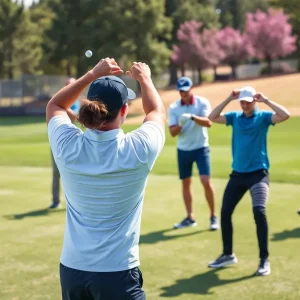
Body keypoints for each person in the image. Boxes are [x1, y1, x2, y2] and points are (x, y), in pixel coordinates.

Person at [46, 58, 165, 300]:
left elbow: (56, 105)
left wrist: (91, 74)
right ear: (124, 110)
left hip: (72, 270)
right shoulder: (138, 150)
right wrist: (145, 79)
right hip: (117, 272)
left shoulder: (67, 146)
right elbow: (156, 112)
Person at [208, 86, 290, 276]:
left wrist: (266, 100)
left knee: (258, 211)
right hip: (238, 174)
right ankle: (228, 254)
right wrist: (229, 98)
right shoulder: (235, 118)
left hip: (258, 174)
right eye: (242, 102)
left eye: (248, 101)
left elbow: (284, 115)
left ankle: (264, 260)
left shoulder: (262, 118)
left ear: (254, 101)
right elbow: (212, 117)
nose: (244, 104)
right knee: (225, 211)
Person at [168, 76, 219, 230]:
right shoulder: (174, 107)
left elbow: (208, 122)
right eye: (181, 91)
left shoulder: (202, 102)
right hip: (183, 149)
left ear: (191, 89)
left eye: (186, 90)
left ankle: (213, 216)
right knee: (186, 183)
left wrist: (192, 117)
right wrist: (181, 124)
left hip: (200, 147)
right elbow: (172, 133)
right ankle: (190, 217)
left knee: (205, 180)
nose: (183, 93)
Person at [49, 77, 81, 209]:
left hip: (75, 140)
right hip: (58, 139)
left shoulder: (78, 101)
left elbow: (74, 116)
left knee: (76, 172)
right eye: (67, 86)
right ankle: (55, 200)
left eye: (72, 85)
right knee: (56, 172)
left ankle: (77, 202)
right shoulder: (60, 100)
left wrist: (60, 105)